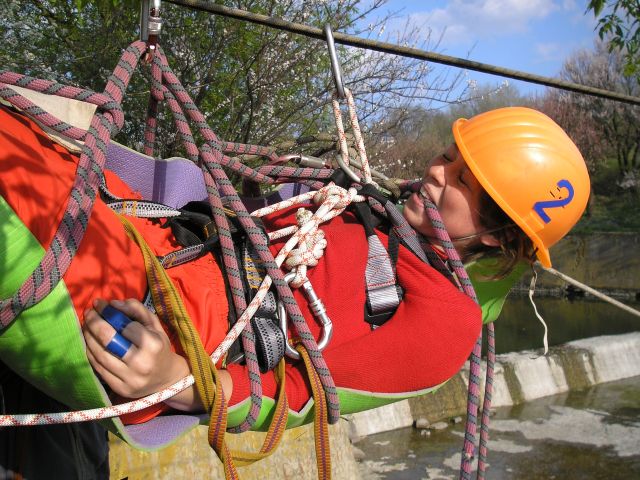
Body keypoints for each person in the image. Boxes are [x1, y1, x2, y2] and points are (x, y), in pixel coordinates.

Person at [0, 103, 590, 428]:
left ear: (500, 240)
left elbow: (305, 393)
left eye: (464, 183)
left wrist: (181, 385)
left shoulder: (446, 322)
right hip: (167, 238)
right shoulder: (370, 206)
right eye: (448, 157)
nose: (437, 173)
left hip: (176, 319)